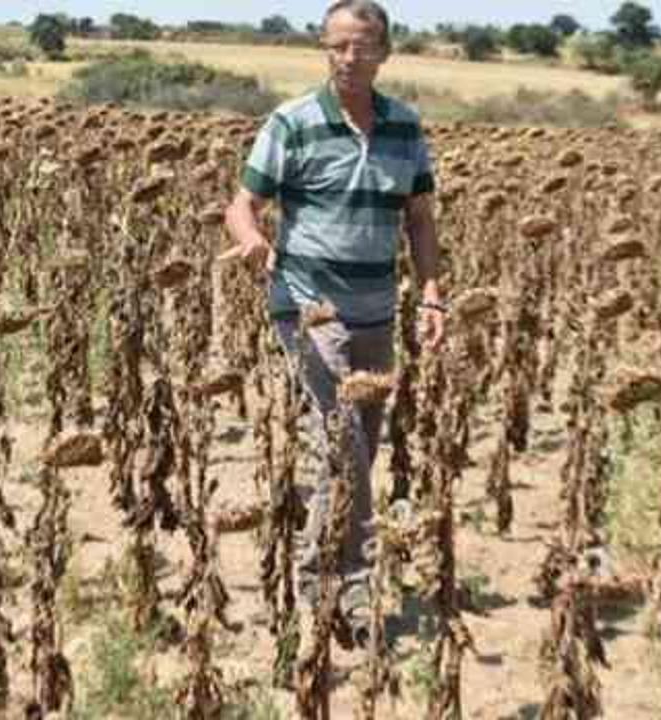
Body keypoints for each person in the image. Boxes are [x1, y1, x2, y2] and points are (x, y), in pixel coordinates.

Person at [221, 0, 444, 648]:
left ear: (385, 52)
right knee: (342, 442)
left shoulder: (405, 127)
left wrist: (431, 295)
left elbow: (422, 220)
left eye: (363, 46)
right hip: (309, 310)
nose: (350, 58)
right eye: (338, 46)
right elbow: (242, 205)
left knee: (359, 451)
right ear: (324, 49)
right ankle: (339, 585)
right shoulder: (291, 122)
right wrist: (254, 238)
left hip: (377, 310)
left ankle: (330, 572)